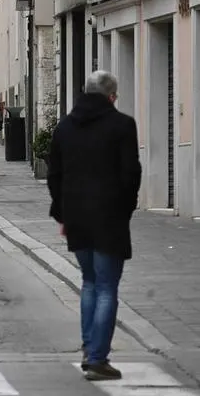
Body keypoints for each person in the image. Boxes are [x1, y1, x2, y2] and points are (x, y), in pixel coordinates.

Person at [48, 70, 141, 382]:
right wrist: (125, 210)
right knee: (106, 287)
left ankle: (90, 349)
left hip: (76, 217)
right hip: (109, 217)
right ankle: (98, 358)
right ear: (111, 96)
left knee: (89, 283)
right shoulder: (122, 126)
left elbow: (54, 176)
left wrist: (62, 214)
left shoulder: (65, 128)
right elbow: (131, 175)